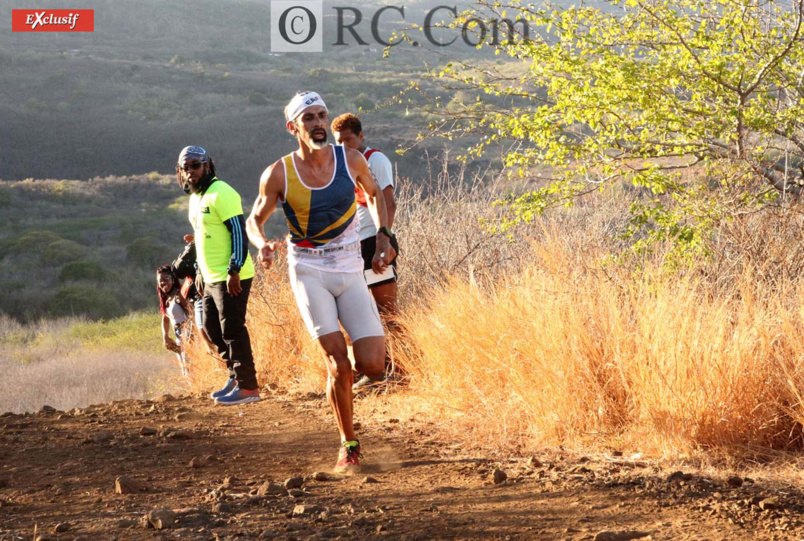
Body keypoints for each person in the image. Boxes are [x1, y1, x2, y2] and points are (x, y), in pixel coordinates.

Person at [246, 91, 395, 472]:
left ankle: (339, 381)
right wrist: (262, 244)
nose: (316, 123)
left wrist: (383, 235)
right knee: (339, 363)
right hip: (309, 271)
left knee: (373, 364)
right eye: (308, 117)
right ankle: (349, 443)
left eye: (321, 115)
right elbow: (254, 220)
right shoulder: (279, 172)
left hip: (350, 270)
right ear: (292, 126)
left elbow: (375, 195)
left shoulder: (351, 159)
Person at [176, 145, 260, 406]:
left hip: (231, 275)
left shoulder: (221, 193)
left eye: (195, 166)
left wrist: (233, 269)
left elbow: (238, 232)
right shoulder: (195, 198)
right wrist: (199, 270)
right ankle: (235, 376)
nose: (191, 172)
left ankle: (249, 387)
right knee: (211, 328)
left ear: (207, 166)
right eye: (186, 168)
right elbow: (202, 238)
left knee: (232, 328)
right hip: (209, 277)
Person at [331, 113, 400, 390]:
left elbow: (388, 202)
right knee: (359, 313)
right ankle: (373, 370)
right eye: (339, 142)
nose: (344, 146)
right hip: (352, 246)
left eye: (348, 140)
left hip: (375, 242)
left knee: (387, 312)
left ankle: (401, 370)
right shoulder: (342, 165)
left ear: (361, 136)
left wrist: (384, 241)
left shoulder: (375, 159)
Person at [157, 264, 193, 381]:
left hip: (188, 334)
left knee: (190, 366)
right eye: (160, 281)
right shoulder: (167, 299)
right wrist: (165, 336)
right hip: (178, 336)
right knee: (184, 368)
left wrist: (190, 335)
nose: (163, 283)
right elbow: (166, 319)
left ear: (173, 279)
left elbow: (192, 314)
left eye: (166, 279)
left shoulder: (179, 295)